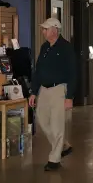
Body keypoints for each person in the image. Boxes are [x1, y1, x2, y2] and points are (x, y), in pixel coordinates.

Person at [29, 18, 77, 171]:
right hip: (43, 89)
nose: (43, 31)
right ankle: (62, 146)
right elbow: (38, 71)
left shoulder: (66, 48)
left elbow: (73, 73)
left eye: (45, 29)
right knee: (42, 120)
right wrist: (33, 92)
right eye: (43, 29)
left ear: (55, 30)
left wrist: (69, 97)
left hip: (58, 90)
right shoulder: (44, 48)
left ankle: (54, 160)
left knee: (57, 124)